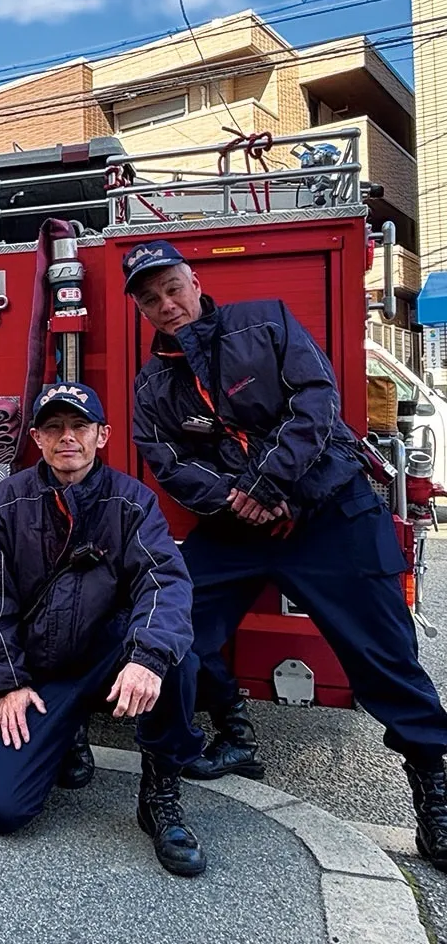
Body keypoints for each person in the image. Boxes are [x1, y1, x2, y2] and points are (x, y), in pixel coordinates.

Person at [125, 239, 447, 872]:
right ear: (139, 307)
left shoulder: (266, 320)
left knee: (384, 654)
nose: (166, 304)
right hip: (237, 526)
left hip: (329, 510)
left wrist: (268, 484)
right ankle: (164, 778)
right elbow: (169, 463)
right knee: (170, 634)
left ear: (195, 283)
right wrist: (241, 500)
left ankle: (434, 789)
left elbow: (317, 400)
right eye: (150, 297)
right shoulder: (151, 385)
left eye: (173, 288)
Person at [0, 382, 208, 877]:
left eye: (80, 426)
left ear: (102, 435)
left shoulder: (132, 502)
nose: (68, 438)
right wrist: (11, 684)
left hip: (109, 655)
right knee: (1, 810)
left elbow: (164, 581)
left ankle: (160, 794)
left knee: (177, 657)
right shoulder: (7, 502)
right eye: (54, 427)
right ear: (36, 438)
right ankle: (67, 733)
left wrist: (146, 658)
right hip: (43, 671)